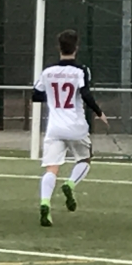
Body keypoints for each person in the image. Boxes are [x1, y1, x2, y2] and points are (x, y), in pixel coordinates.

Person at [32, 29, 108, 227]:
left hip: (54, 127)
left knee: (51, 168)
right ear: (76, 47)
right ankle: (70, 183)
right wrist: (99, 113)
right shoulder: (81, 71)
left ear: (59, 47)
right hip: (75, 125)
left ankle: (45, 202)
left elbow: (36, 95)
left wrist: (52, 95)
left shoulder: (48, 72)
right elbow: (86, 94)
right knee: (85, 158)